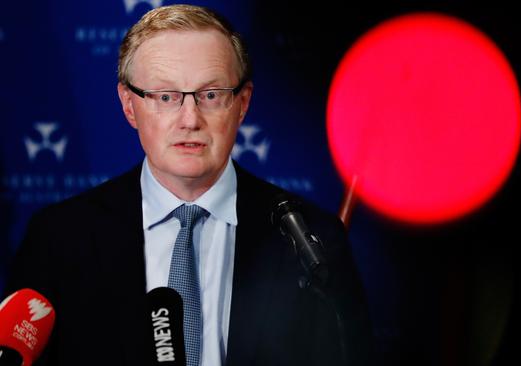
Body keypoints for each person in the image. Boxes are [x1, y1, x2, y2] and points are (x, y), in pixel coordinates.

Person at [4, 4, 372, 366]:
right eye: (166, 97)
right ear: (129, 105)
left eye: (211, 95)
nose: (190, 119)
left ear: (242, 104)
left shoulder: (313, 240)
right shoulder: (59, 238)